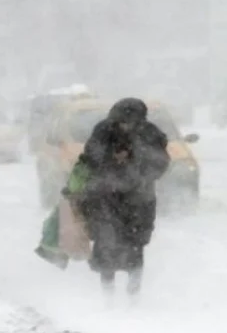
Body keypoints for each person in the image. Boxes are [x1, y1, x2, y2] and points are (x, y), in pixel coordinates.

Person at [67, 97, 170, 296]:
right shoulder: (103, 131)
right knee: (106, 245)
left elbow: (160, 162)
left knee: (135, 247)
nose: (125, 126)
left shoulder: (150, 134)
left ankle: (133, 296)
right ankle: (108, 296)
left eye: (130, 122)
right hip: (105, 198)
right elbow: (90, 158)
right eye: (122, 122)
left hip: (139, 201)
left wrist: (138, 170)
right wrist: (110, 163)